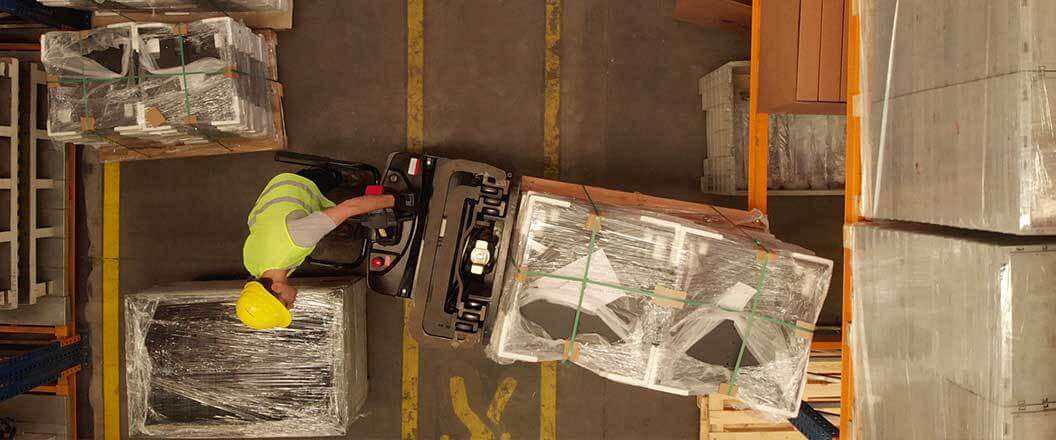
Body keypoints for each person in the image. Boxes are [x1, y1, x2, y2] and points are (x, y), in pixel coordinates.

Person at [236, 167, 394, 329]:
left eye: (285, 304)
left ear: (276, 287)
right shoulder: (252, 264)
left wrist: (395, 200)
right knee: (329, 225)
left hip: (293, 186)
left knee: (329, 185)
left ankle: (340, 175)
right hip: (268, 207)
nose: (291, 306)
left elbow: (350, 207)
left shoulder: (298, 239)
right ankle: (347, 225)